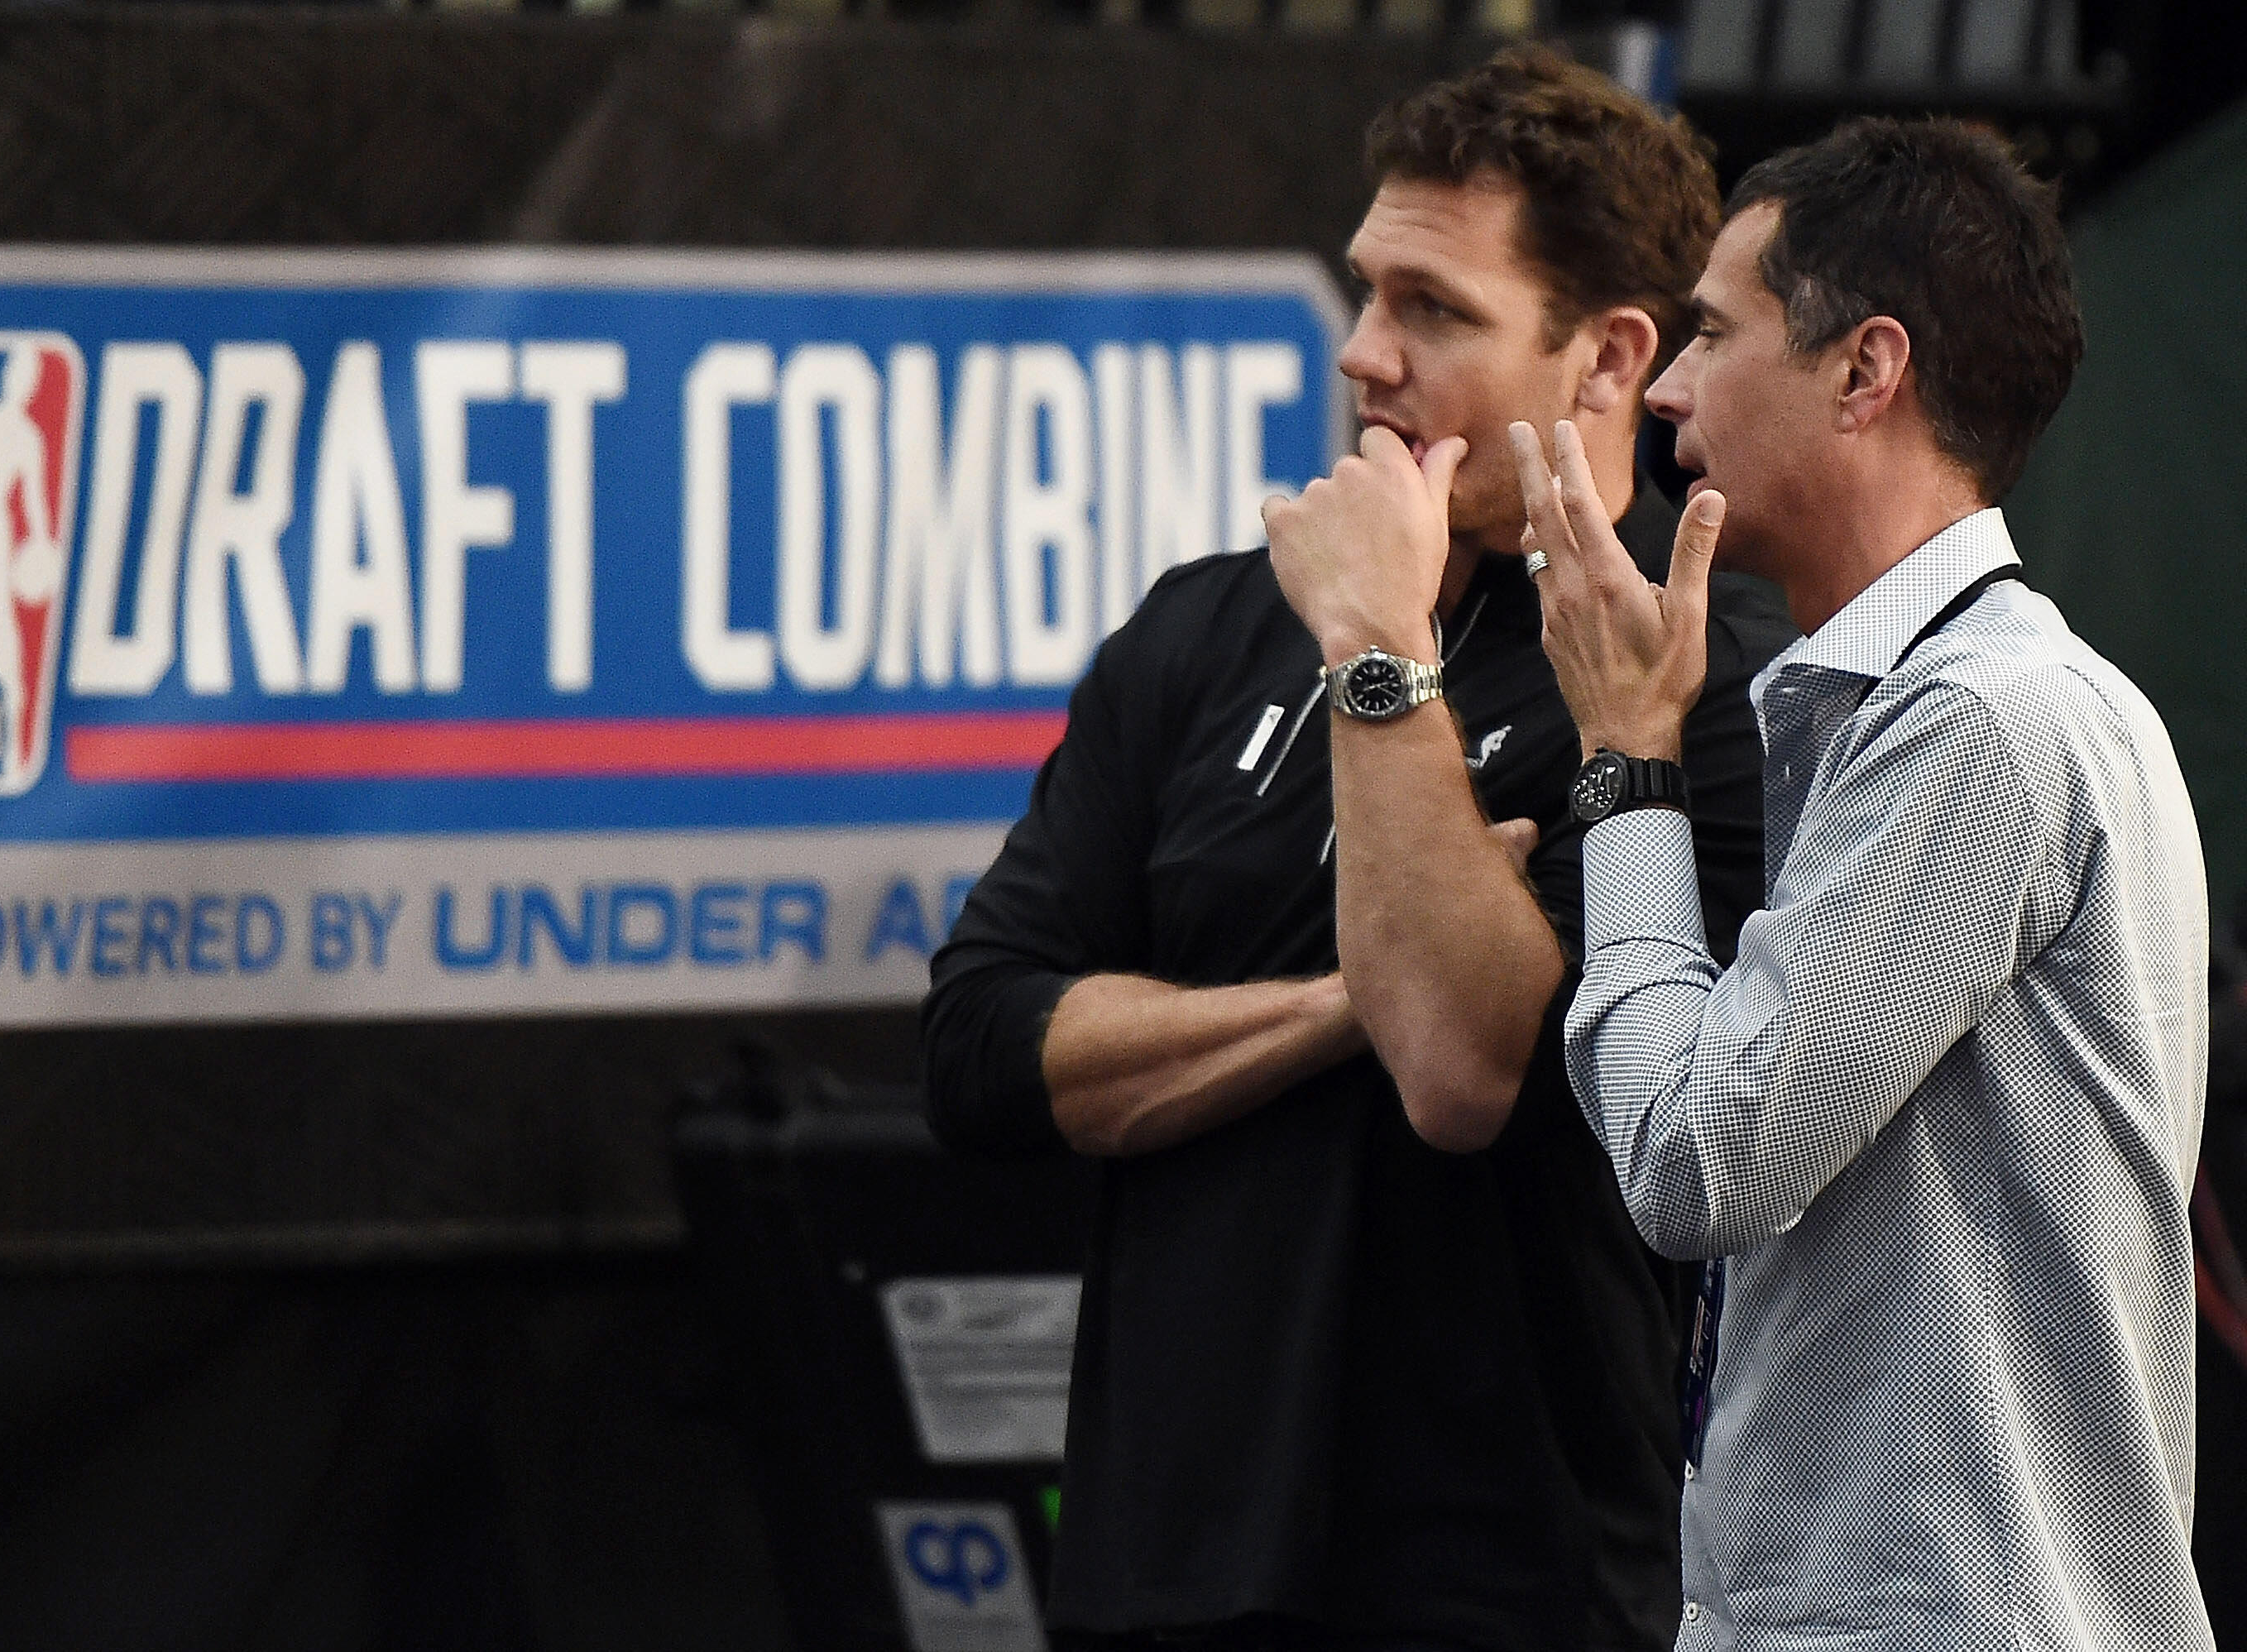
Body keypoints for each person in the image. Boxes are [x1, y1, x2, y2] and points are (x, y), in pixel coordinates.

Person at [923, 45, 1794, 1651]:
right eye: (1364, 291)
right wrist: (1348, 1001)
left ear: (1609, 357)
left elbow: (1466, 1070)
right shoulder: (1199, 629)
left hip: (1512, 1586)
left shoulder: (1698, 688)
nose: (1361, 354)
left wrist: (1379, 648)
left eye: (1434, 311)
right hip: (1163, 1571)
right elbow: (981, 1047)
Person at [1497, 119, 2212, 1648]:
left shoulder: (1981, 719)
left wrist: (1627, 754)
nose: (1670, 390)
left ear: (1864, 370)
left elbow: (1699, 1162)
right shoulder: (1948, 705)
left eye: (1710, 330)